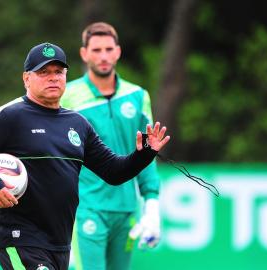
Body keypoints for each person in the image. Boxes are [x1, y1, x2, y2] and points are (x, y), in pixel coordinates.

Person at [0, 42, 170, 270]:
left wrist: (144, 154)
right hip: (21, 238)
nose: (53, 78)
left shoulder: (77, 123)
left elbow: (113, 172)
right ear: (26, 78)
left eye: (58, 72)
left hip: (60, 243)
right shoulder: (10, 116)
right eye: (43, 72)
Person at [60, 22, 162, 270]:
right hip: (87, 207)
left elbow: (147, 154)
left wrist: (151, 206)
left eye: (108, 49)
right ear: (84, 54)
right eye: (96, 50)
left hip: (126, 209)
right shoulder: (68, 95)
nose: (103, 56)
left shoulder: (137, 96)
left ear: (118, 51)